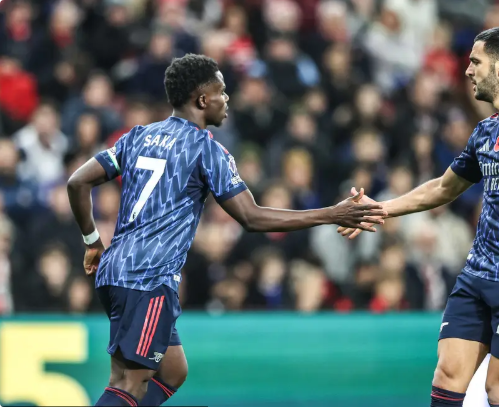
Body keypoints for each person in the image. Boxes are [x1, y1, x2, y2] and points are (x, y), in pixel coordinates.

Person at [67, 54, 387, 407]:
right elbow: (252, 217)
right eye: (221, 91)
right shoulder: (206, 149)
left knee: (172, 371)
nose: (227, 98)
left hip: (115, 271)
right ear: (203, 99)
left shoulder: (139, 136)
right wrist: (331, 213)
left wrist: (92, 242)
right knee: (129, 382)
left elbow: (78, 182)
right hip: (149, 278)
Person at [338, 26, 499, 407]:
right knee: (447, 375)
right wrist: (379, 208)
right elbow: (442, 189)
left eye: (475, 62)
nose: (467, 71)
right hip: (477, 274)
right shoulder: (484, 132)